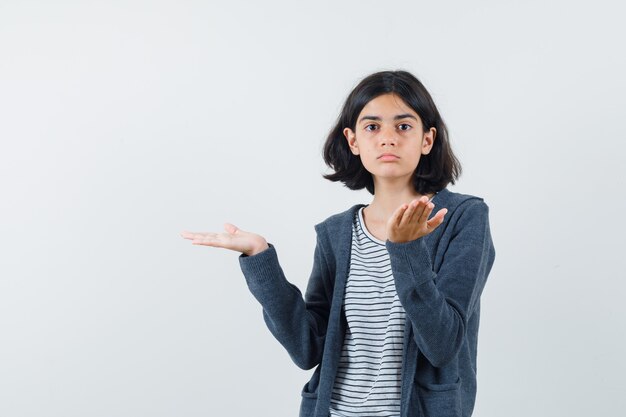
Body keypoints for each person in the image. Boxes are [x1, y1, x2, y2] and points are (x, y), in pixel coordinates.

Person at [181, 70, 496, 417]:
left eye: (403, 126)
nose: (387, 138)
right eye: (372, 127)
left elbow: (442, 344)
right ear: (353, 140)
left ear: (427, 139)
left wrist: (406, 250)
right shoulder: (336, 233)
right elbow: (307, 348)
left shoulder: (462, 218)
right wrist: (260, 258)